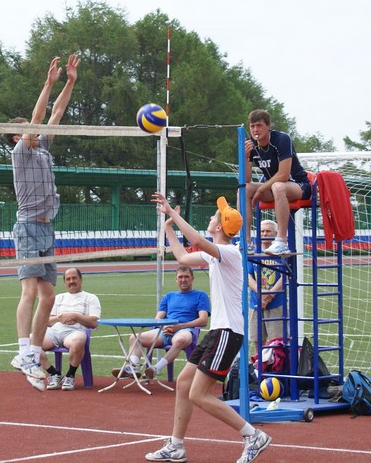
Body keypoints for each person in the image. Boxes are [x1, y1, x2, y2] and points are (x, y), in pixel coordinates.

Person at [147, 193, 272, 463]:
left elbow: (196, 241)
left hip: (227, 333)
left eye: (215, 216)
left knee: (199, 394)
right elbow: (181, 254)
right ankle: (176, 445)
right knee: (183, 384)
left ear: (219, 227)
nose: (211, 218)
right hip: (218, 331)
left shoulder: (228, 251)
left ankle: (253, 435)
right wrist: (168, 226)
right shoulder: (215, 254)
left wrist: (174, 213)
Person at [3, 53, 80, 390]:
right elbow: (37, 118)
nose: (32, 131)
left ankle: (34, 352)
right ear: (17, 137)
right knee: (30, 291)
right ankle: (22, 350)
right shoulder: (20, 153)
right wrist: (47, 83)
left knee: (49, 295)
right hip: (29, 226)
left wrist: (70, 82)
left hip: (48, 227)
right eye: (25, 130)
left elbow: (56, 113)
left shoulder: (44, 148)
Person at [112, 265, 210, 381]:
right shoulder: (169, 296)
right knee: (134, 338)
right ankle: (132, 367)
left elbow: (203, 320)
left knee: (180, 340)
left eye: (187, 277)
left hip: (185, 329)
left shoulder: (201, 295)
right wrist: (164, 327)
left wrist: (179, 326)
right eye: (180, 277)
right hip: (164, 331)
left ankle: (156, 369)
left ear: (192, 279)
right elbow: (158, 319)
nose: (183, 279)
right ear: (176, 279)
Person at [243, 109, 311, 256]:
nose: (255, 130)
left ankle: (281, 241)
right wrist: (245, 157)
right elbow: (246, 179)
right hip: (274, 187)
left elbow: (283, 175)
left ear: (268, 126)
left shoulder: (282, 139)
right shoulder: (250, 144)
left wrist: (261, 190)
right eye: (252, 126)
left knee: (278, 186)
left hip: (298, 185)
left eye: (259, 125)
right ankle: (246, 242)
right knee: (244, 189)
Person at [38, 267, 100, 391]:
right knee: (30, 341)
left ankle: (70, 375)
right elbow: (46, 321)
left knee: (79, 340)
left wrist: (76, 316)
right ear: (65, 282)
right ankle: (53, 373)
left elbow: (94, 323)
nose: (71, 281)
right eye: (68, 279)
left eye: (74, 278)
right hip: (55, 331)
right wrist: (59, 318)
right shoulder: (59, 297)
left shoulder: (91, 298)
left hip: (74, 333)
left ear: (80, 279)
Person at [247, 221, 285, 352]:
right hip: (256, 303)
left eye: (268, 231)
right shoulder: (253, 252)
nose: (264, 234)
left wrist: (270, 295)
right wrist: (261, 293)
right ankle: (260, 368)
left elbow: (285, 276)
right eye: (262, 231)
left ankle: (276, 371)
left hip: (276, 303)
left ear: (275, 233)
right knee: (258, 341)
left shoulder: (280, 252)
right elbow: (248, 277)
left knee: (278, 342)